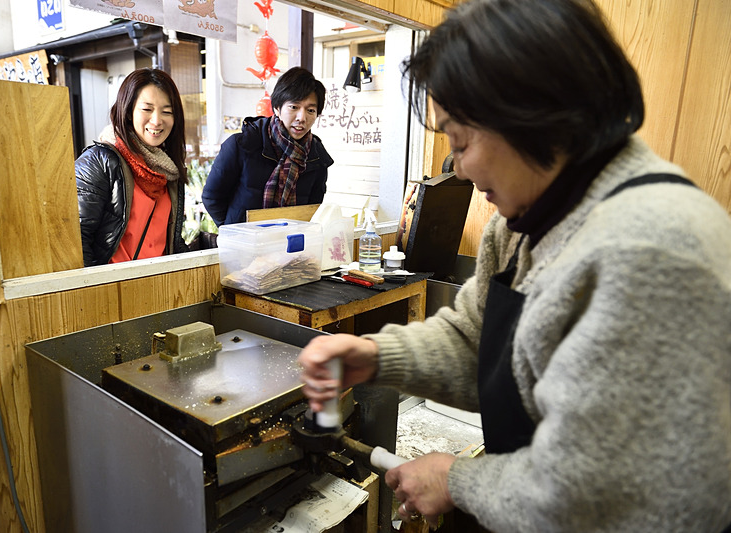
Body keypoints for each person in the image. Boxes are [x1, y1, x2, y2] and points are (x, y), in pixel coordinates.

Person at [298, 0, 731, 531]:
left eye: (461, 140)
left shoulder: (654, 248)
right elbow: (476, 342)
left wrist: (456, 481)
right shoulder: (522, 222)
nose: (458, 168)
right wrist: (375, 357)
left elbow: (611, 494)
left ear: (532, 116)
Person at [75, 68, 189, 266]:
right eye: (147, 109)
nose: (157, 120)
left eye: (167, 111)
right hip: (113, 283)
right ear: (128, 112)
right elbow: (77, 239)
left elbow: (172, 242)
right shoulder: (99, 162)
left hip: (159, 282)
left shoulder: (169, 172)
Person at [202, 67, 334, 226]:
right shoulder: (242, 145)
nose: (302, 117)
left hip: (291, 239)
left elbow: (312, 209)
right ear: (277, 108)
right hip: (242, 239)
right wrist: (233, 230)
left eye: (310, 110)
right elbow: (212, 197)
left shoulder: (317, 157)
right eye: (294, 107)